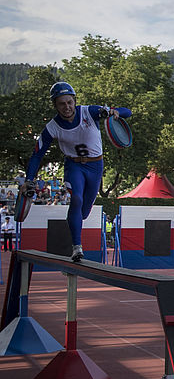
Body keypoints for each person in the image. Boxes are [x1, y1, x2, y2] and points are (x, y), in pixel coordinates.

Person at [24, 81, 132, 262]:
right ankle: (77, 248)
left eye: (69, 102)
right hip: (74, 166)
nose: (66, 107)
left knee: (83, 212)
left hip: (96, 166)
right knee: (76, 198)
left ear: (74, 101)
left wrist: (115, 112)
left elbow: (127, 112)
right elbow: (36, 155)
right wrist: (29, 179)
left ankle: (76, 226)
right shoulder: (52, 127)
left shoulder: (89, 112)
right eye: (61, 103)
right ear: (55, 105)